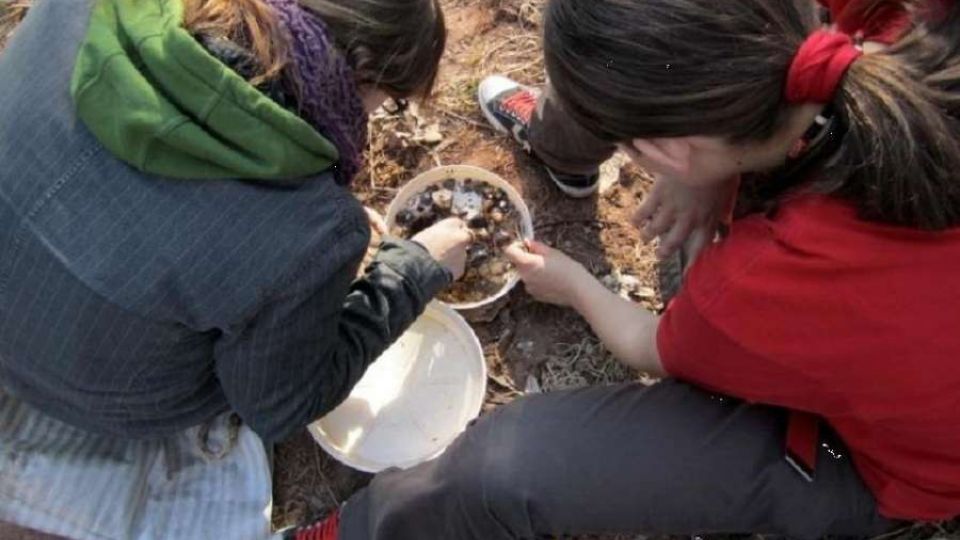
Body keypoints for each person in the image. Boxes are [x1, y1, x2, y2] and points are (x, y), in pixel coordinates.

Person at [288, 0, 960, 538]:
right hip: (750, 187)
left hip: (878, 465)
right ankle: (563, 149)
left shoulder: (761, 282)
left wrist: (576, 284)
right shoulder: (910, 28)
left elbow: (652, 349)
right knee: (618, 47)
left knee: (509, 463)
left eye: (635, 148)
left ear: (673, 149)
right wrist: (709, 169)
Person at [0, 0, 470, 538]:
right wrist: (411, 269)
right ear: (360, 72)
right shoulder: (313, 232)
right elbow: (280, 406)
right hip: (98, 395)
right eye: (386, 102)